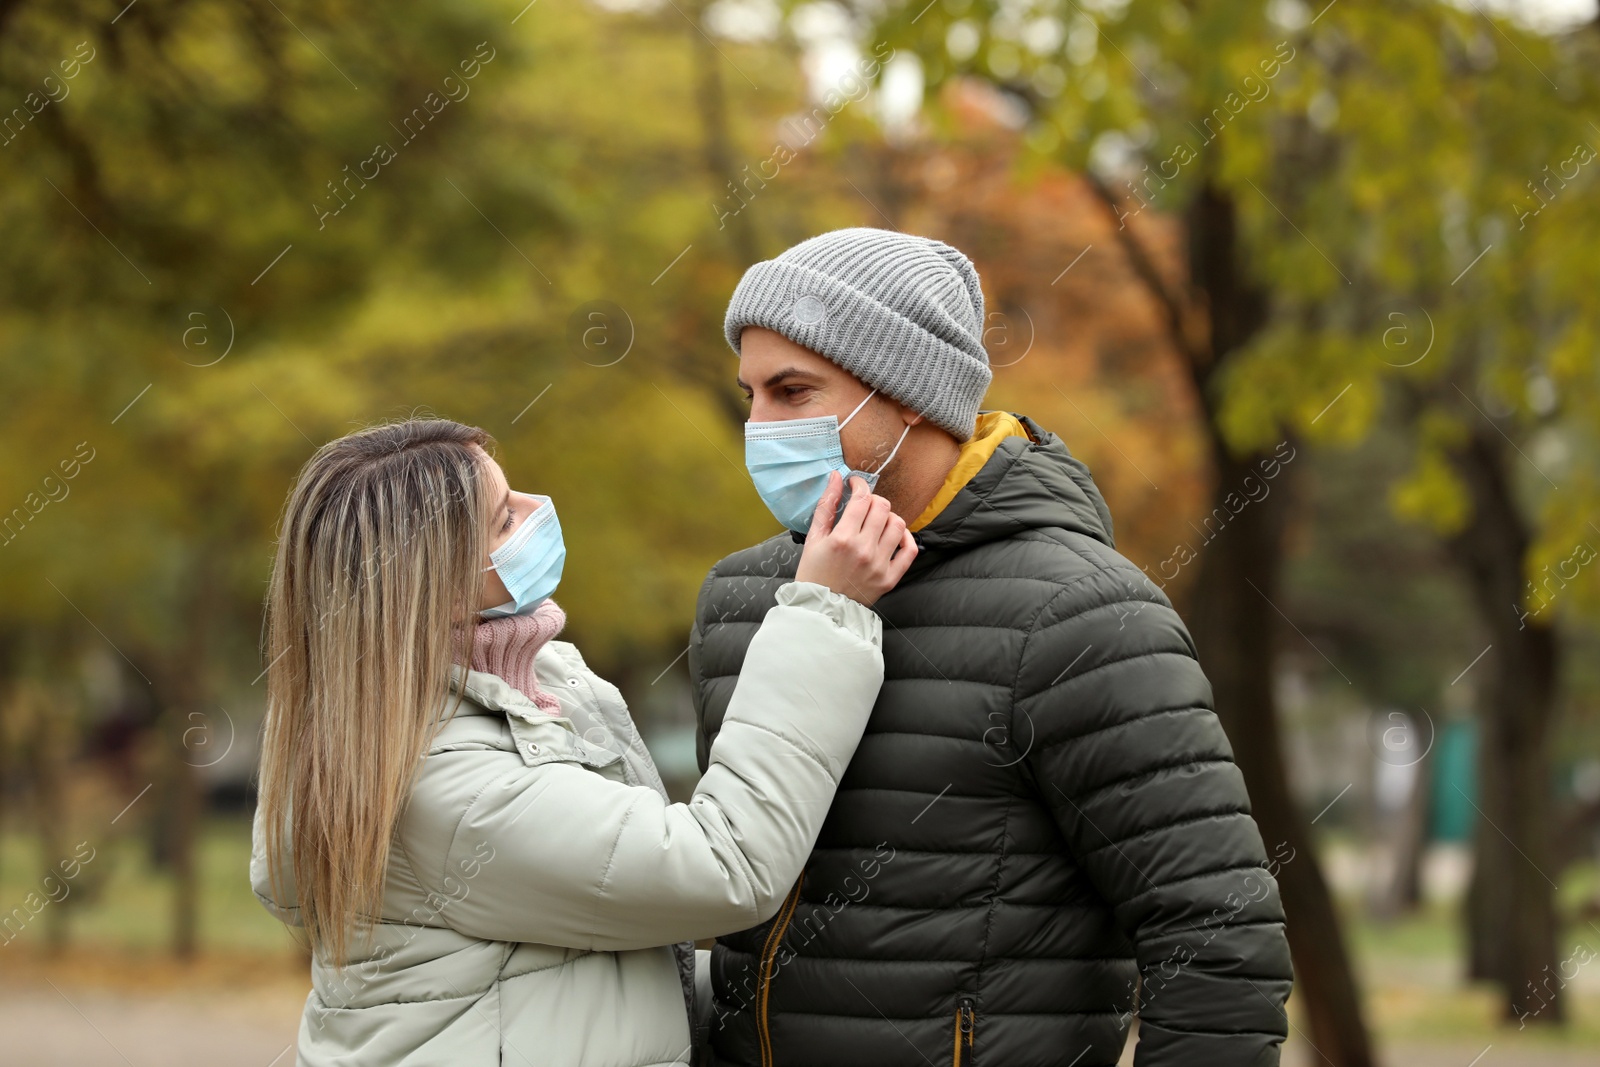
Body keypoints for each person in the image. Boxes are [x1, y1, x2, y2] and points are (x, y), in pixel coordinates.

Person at [689, 228, 1295, 1066]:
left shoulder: (1086, 615)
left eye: (793, 391)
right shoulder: (739, 602)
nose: (758, 424)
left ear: (908, 394)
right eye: (750, 392)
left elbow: (1217, 938)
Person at [249, 416, 916, 1067]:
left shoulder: (511, 692)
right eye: (505, 517)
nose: (539, 509)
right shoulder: (449, 790)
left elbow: (573, 972)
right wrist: (826, 609)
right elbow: (724, 862)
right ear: (438, 588)